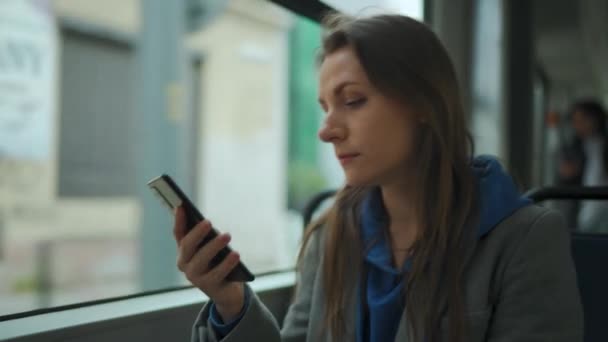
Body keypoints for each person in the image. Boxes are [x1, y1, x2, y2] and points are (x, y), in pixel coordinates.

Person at [174, 13, 583, 342]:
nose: (327, 129)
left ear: (424, 103)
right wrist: (231, 302)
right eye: (325, 107)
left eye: (353, 101)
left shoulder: (524, 241)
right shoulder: (331, 236)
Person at [557, 99, 608, 232]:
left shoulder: (604, 146)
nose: (577, 125)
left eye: (582, 120)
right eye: (574, 121)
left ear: (596, 119)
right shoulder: (571, 150)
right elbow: (562, 181)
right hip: (580, 212)